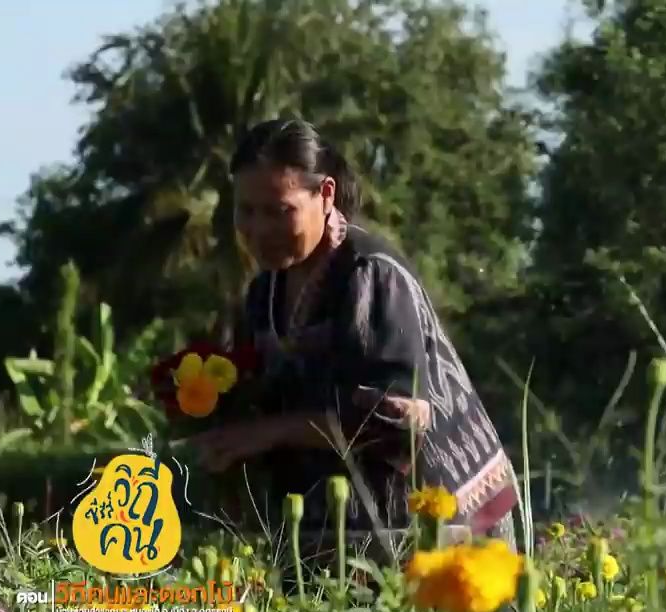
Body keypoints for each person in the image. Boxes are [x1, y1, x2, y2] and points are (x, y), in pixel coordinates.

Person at [187, 119, 519, 564]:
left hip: (435, 526)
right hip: (334, 525)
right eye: (246, 211)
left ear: (324, 195)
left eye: (278, 211)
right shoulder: (263, 293)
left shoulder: (369, 275)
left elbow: (398, 423)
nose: (258, 229)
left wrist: (267, 433)